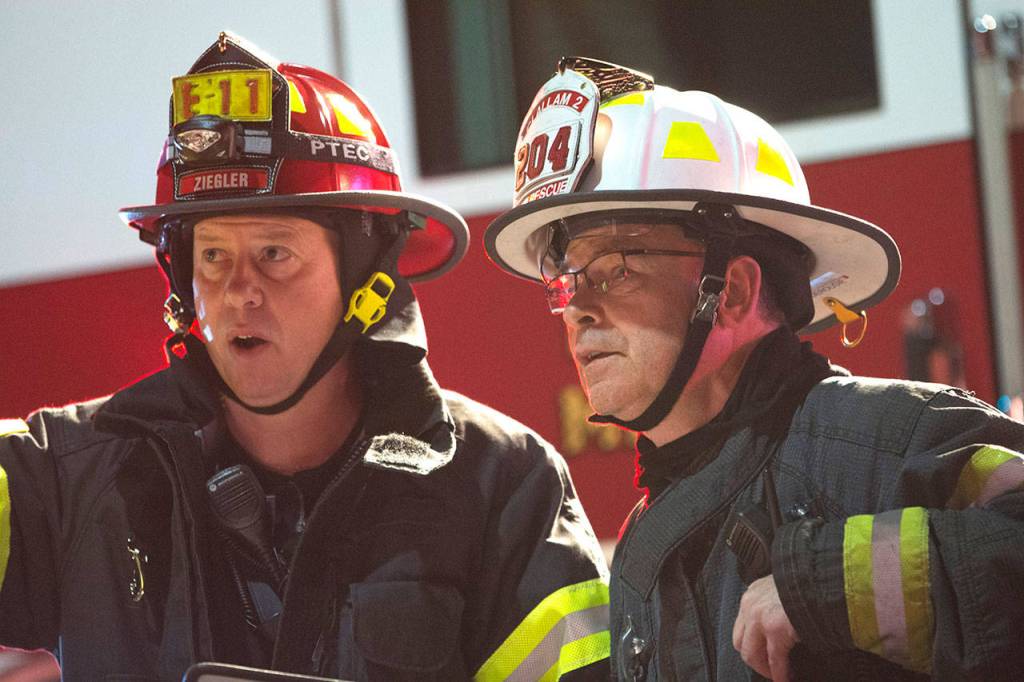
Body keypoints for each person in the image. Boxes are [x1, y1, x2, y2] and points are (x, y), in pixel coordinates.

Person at [0, 34, 612, 681]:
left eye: (275, 253)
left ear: (364, 274)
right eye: (212, 256)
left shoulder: (503, 488)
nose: (238, 290)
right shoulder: (69, 479)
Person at [484, 57, 1024, 680]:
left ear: (733, 290)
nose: (576, 308)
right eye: (568, 279)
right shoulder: (641, 550)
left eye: (614, 269)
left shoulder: (893, 442)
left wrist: (826, 583)